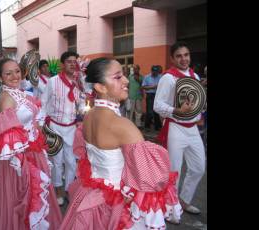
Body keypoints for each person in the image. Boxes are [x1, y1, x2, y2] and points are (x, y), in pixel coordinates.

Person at [60, 57, 182, 230]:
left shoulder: (89, 116)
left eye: (123, 75)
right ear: (100, 87)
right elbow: (148, 180)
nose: (126, 80)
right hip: (115, 203)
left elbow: (87, 158)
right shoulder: (122, 126)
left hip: (92, 192)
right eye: (117, 77)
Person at [0, 58, 62, 230]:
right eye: (8, 73)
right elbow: (8, 140)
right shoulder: (6, 99)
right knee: (22, 197)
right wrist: (24, 164)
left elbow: (35, 121)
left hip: (35, 153)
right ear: (0, 77)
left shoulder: (23, 94)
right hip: (19, 159)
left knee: (37, 196)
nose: (14, 76)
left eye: (17, 71)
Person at [154, 42, 206, 215]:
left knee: (199, 167)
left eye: (186, 55)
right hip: (175, 128)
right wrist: (176, 110)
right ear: (172, 58)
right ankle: (170, 208)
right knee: (174, 171)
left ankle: (183, 200)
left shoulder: (195, 76)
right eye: (179, 56)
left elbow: (196, 102)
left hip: (192, 129)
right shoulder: (168, 78)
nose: (184, 59)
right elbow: (157, 105)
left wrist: (200, 111)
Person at [41, 51, 86, 206]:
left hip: (72, 127)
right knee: (57, 161)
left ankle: (68, 189)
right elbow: (43, 102)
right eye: (69, 61)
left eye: (75, 61)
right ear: (62, 64)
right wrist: (42, 125)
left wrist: (82, 112)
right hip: (55, 126)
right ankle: (58, 190)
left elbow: (81, 103)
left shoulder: (79, 83)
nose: (73, 64)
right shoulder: (53, 82)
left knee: (72, 161)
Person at [142, 65, 162, 131]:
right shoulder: (147, 77)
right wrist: (152, 87)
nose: (155, 73)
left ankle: (157, 126)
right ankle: (147, 126)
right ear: (152, 71)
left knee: (156, 110)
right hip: (150, 95)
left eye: (156, 71)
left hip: (157, 95)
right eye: (154, 71)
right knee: (149, 111)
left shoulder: (160, 77)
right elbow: (144, 87)